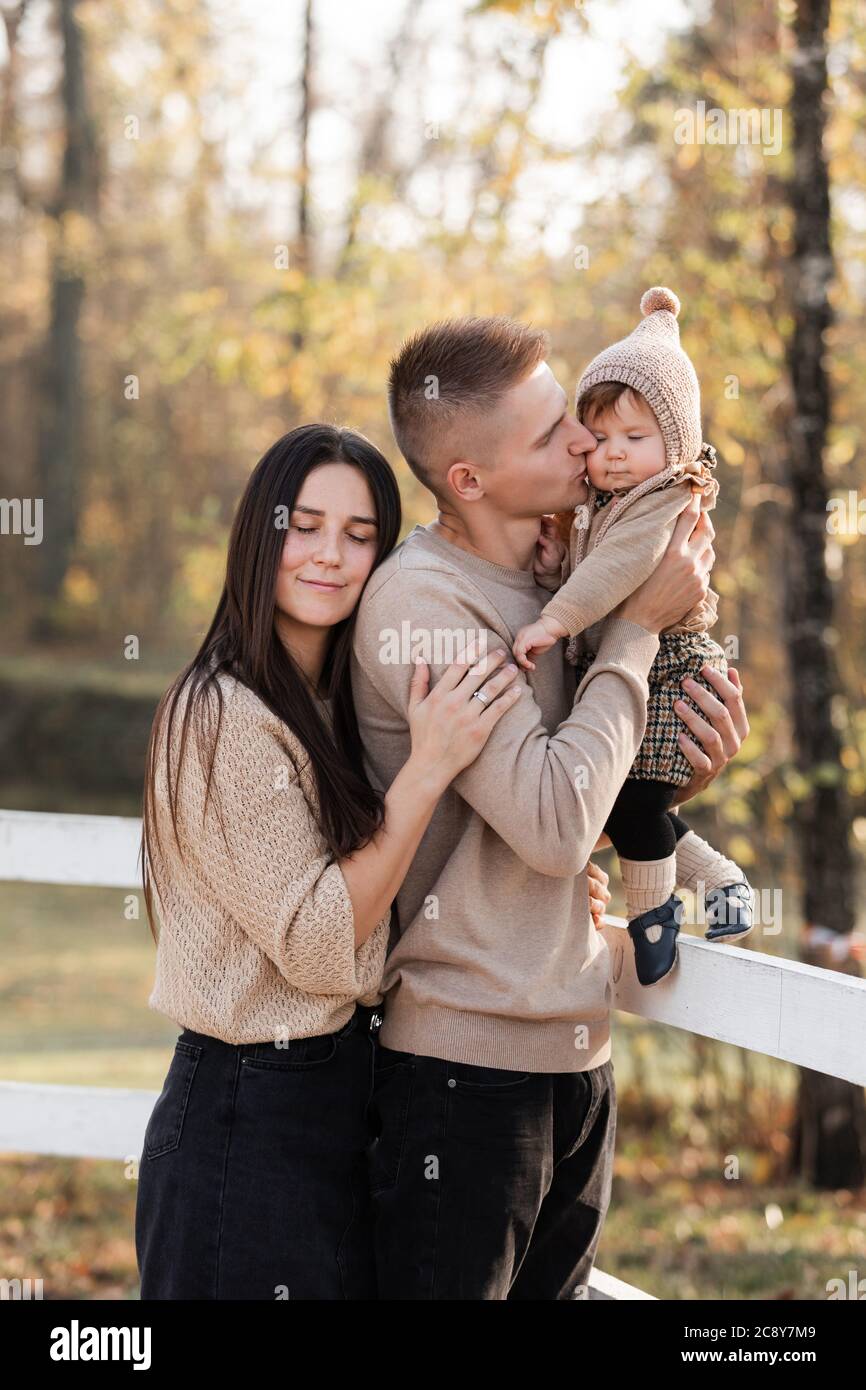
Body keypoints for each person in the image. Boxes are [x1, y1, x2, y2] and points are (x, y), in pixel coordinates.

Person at [351, 315, 749, 1300]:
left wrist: (677, 767)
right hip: (464, 1072)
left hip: (576, 1052)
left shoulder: (553, 576)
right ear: (468, 480)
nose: (583, 442)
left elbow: (594, 779)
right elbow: (551, 823)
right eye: (548, 434)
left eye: (570, 416)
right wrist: (632, 631)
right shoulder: (422, 606)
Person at [134, 422, 521, 1299]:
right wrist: (428, 769)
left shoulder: (332, 709)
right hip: (244, 1118)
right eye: (302, 527)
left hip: (340, 1103)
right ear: (258, 537)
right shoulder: (221, 712)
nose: (329, 557)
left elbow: (394, 880)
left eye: (358, 536)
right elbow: (316, 943)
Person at [512, 288, 753, 988]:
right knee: (628, 801)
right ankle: (724, 883)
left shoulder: (668, 497)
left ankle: (654, 918)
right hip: (634, 666)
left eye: (635, 438)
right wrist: (556, 558)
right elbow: (589, 562)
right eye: (601, 439)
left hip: (672, 668)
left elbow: (618, 571)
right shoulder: (607, 502)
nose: (613, 455)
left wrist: (555, 618)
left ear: (674, 443)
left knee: (637, 800)